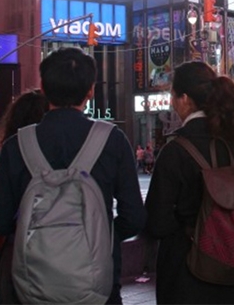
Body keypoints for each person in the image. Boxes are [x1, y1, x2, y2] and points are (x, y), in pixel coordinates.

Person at [0, 47, 146, 305]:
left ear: (43, 88)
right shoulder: (113, 141)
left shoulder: (17, 145)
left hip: (31, 286)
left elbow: (1, 220)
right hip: (98, 287)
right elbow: (134, 217)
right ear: (91, 90)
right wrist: (101, 235)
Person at [144, 61, 234, 304]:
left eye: (173, 96)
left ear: (185, 99)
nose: (173, 103)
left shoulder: (175, 151)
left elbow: (156, 223)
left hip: (186, 280)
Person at [0, 90, 49, 304]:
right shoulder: (69, 153)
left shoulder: (11, 151)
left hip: (17, 253)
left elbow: (2, 218)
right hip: (70, 257)